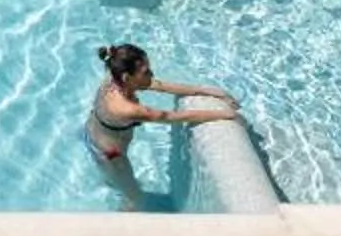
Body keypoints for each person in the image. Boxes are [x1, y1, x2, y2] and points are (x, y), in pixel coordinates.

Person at [85, 43, 240, 167]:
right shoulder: (127, 109)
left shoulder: (115, 74)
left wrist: (207, 91)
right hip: (110, 153)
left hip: (93, 129)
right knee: (133, 194)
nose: (152, 74)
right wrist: (226, 114)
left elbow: (162, 86)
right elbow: (175, 117)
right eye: (146, 72)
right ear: (127, 77)